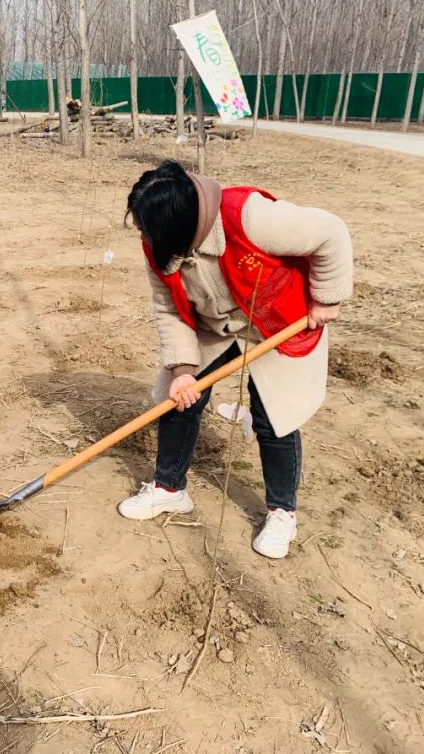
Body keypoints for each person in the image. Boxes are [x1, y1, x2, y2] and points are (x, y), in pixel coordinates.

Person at [119, 161, 352, 559]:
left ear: (182, 227)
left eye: (149, 229)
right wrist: (182, 371)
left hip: (279, 318)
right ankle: (169, 489)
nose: (144, 236)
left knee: (273, 417)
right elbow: (169, 309)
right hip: (215, 322)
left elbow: (331, 232)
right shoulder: (157, 242)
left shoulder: (250, 216)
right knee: (180, 398)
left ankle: (282, 513)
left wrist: (326, 298)